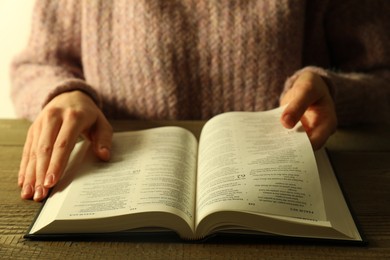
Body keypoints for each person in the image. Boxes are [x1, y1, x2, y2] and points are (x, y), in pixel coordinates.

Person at [11, 0, 390, 202]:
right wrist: (65, 93)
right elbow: (36, 65)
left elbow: (381, 76)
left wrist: (335, 92)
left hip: (283, 199)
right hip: (116, 192)